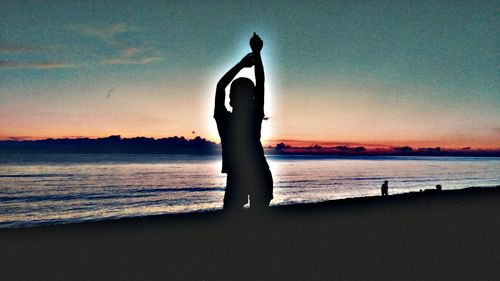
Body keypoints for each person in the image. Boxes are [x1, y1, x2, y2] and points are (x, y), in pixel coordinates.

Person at [213, 33, 273, 211]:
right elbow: (260, 83)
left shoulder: (225, 119)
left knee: (234, 222)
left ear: (230, 99)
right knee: (257, 220)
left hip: (244, 174)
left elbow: (220, 86)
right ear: (252, 98)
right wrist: (257, 53)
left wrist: (242, 64)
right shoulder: (252, 116)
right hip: (255, 172)